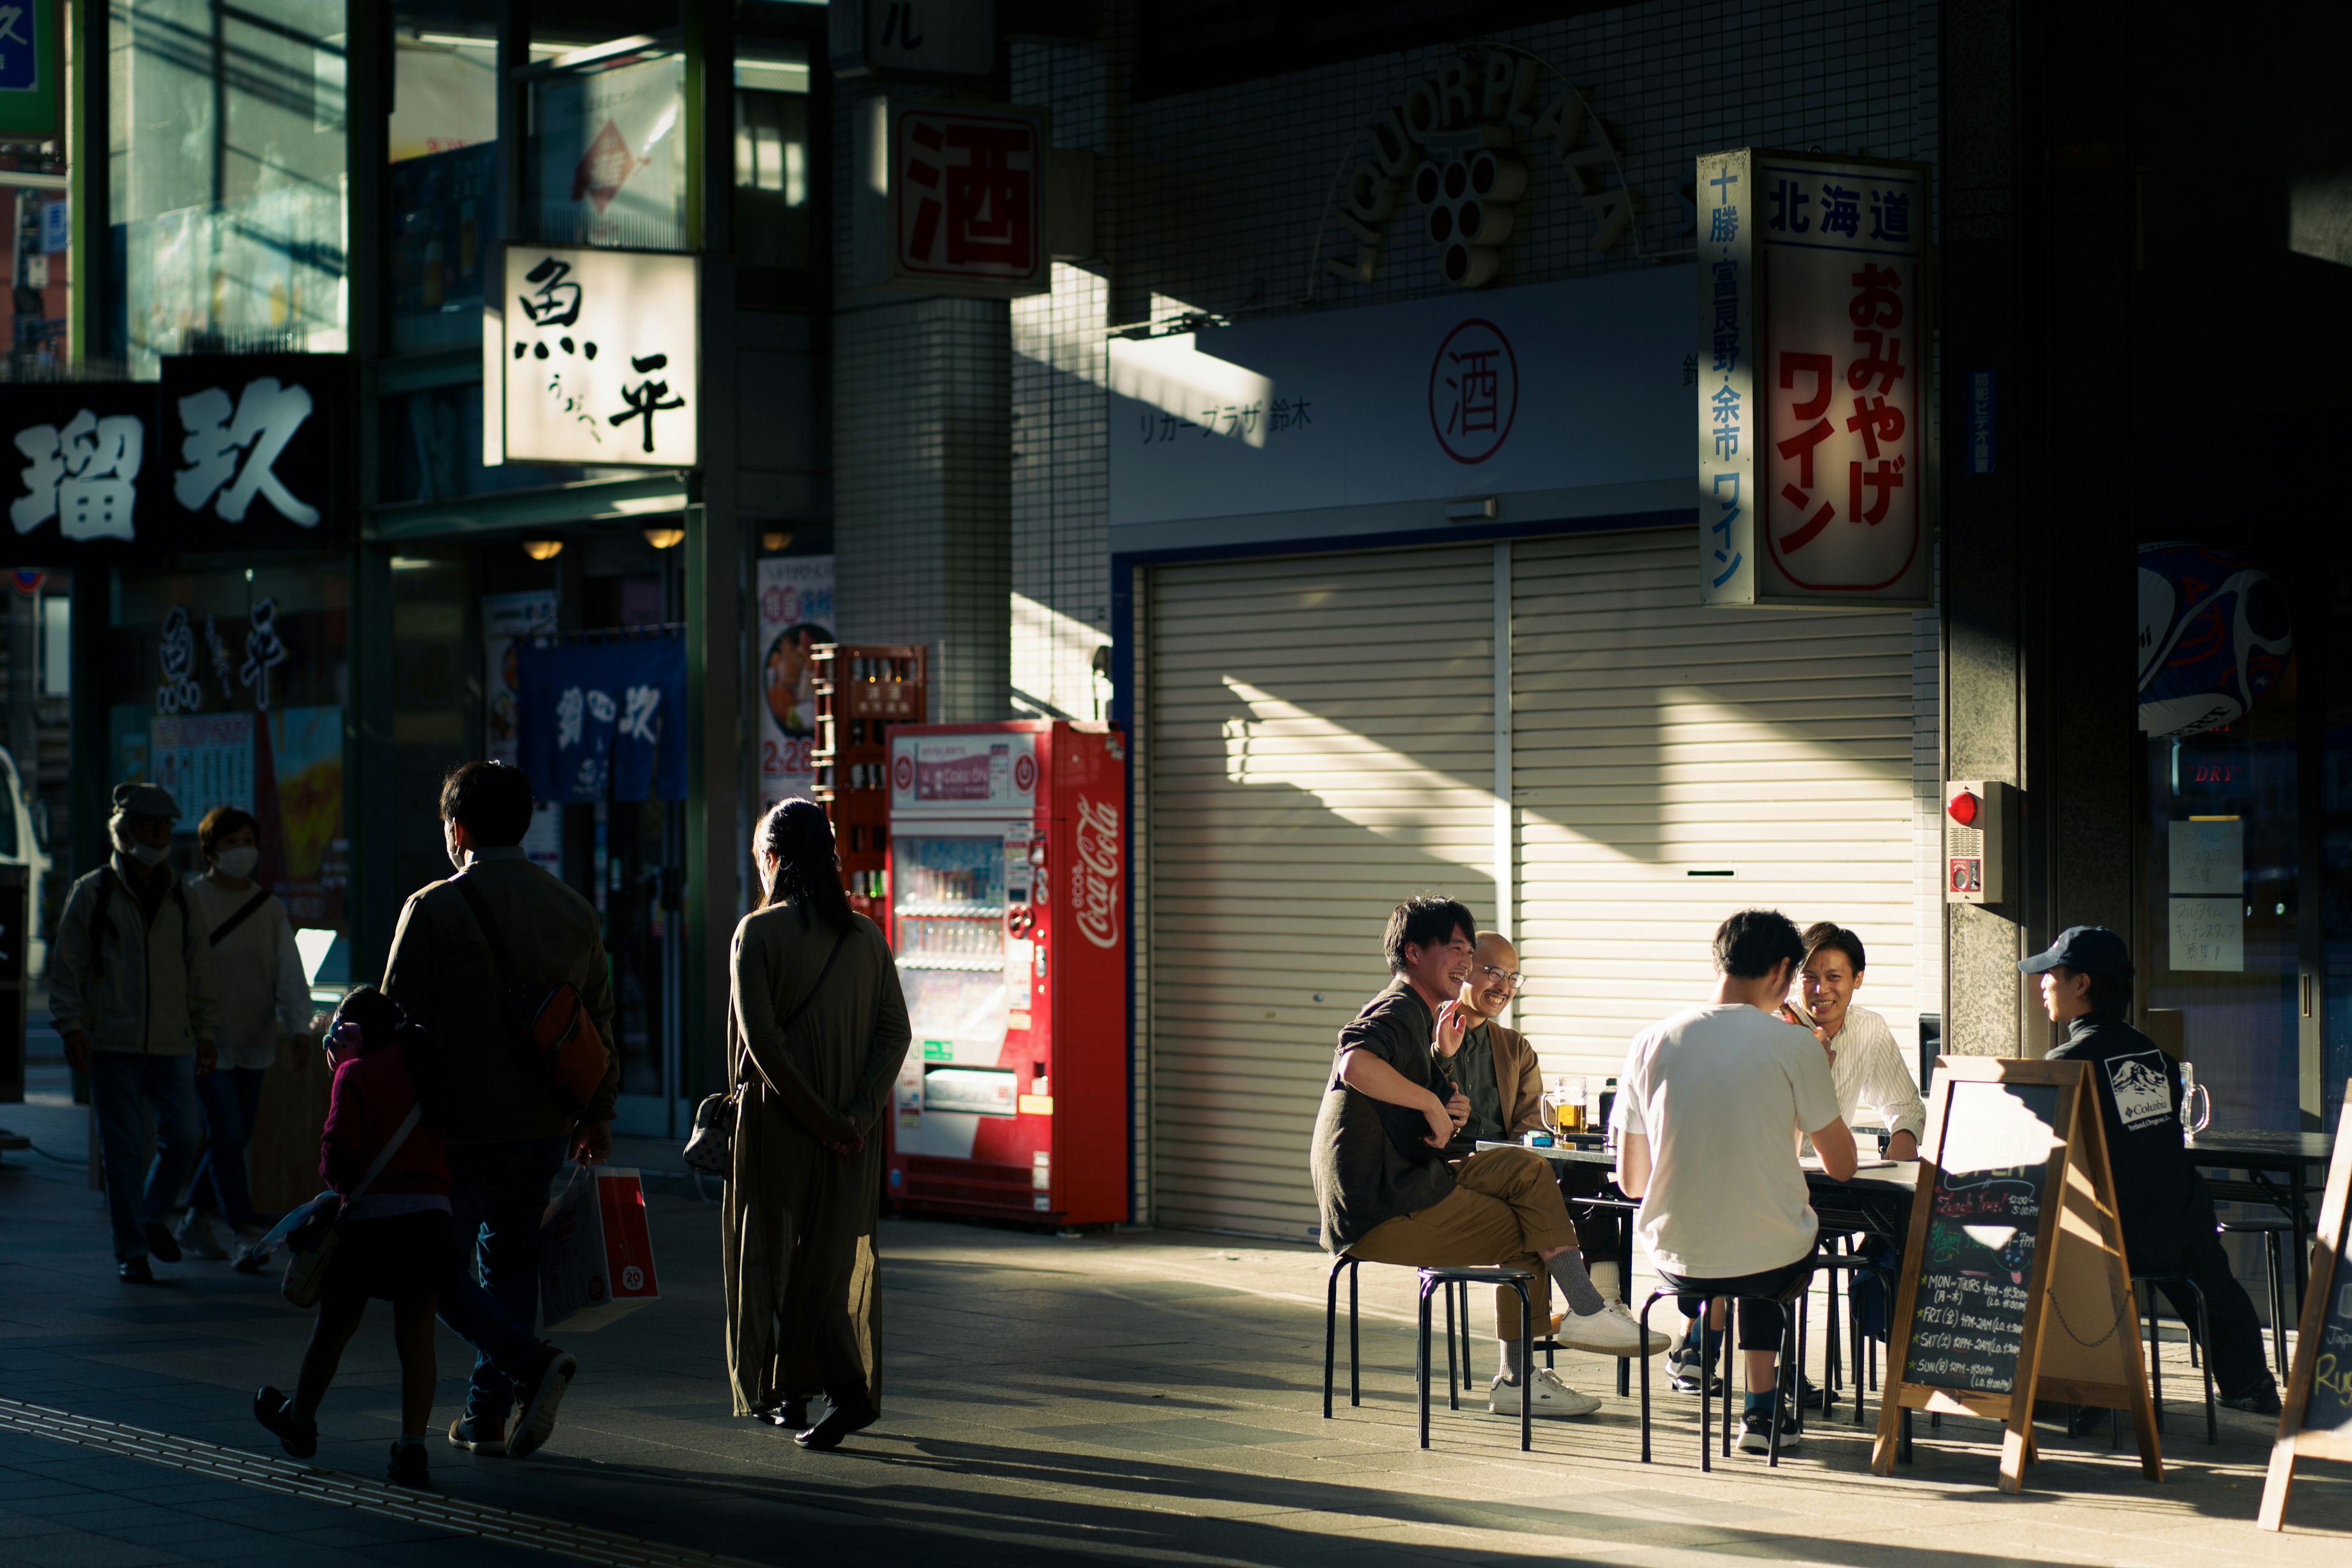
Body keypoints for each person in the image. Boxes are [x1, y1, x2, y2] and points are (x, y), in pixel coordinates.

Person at [1311, 895, 1662, 1423]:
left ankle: (1577, 1320)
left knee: (1527, 1174)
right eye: (1456, 949)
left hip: (1406, 1185)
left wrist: (1441, 1077)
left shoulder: (1436, 1025)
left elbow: (1426, 1130)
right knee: (1529, 1232)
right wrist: (1432, 1100)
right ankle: (1539, 1361)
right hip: (1379, 1208)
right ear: (1412, 952)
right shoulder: (1400, 1006)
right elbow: (1354, 1061)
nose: (1464, 961)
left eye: (1467, 950)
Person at [382, 760, 602, 1459]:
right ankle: (485, 1416)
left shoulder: (434, 907)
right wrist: (597, 1110)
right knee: (510, 1266)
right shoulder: (572, 907)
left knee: (426, 1268)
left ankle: (529, 1362)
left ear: (458, 827)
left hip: (458, 1127)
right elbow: (597, 1017)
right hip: (545, 1123)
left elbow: (394, 1022)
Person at [1612, 909, 1857, 1453]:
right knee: (1772, 1239)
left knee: (1745, 1236)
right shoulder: (1795, 1045)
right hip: (1768, 1259)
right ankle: (1763, 1409)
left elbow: (1632, 1181)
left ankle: (1700, 1345)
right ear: (1781, 971)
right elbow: (1842, 1165)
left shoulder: (1650, 1041)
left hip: (1676, 1256)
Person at [2021, 925, 2280, 1417]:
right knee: (2210, 1286)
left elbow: (2043, 1155)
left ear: (2082, 984)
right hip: (2178, 1223)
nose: (2043, 984)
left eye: (2052, 974)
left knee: (2034, 1251)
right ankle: (2250, 1384)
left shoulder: (2068, 1063)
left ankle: (2079, 1398)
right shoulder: (2154, 1057)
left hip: (2108, 1233)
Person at [723, 799, 911, 1450]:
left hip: (785, 1126)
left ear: (773, 859)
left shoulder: (758, 934)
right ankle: (795, 1391)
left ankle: (841, 1391)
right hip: (851, 1139)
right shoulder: (866, 937)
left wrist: (822, 1119)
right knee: (830, 1257)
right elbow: (896, 1034)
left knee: (778, 1258)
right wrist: (854, 1116)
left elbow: (764, 1045)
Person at [253, 989, 448, 1488]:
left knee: (335, 1327)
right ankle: (412, 1450)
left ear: (348, 1033)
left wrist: (340, 1068)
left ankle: (300, 1421)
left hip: (372, 1223)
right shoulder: (427, 1063)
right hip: (430, 1218)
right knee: (417, 1338)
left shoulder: (356, 1073)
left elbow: (338, 1162)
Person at [50, 783, 218, 1283]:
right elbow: (67, 968)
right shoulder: (93, 892)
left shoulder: (182, 896)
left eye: (165, 827)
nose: (158, 836)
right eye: (148, 828)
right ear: (121, 831)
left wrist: (206, 1031)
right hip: (113, 1044)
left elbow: (200, 972)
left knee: (186, 1136)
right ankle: (132, 1251)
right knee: (121, 1153)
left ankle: (149, 1214)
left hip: (172, 1043)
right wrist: (72, 1026)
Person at [1444, 930, 1627, 1307]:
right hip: (1449, 1172)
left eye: (1513, 978)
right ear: (1463, 970)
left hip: (1510, 1170)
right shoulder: (1428, 1034)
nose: (1505, 987)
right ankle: (1587, 1309)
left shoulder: (1515, 1047)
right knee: (1530, 1206)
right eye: (1494, 972)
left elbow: (1530, 1126)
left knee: (1586, 1169)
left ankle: (1607, 1302)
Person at [179, 805, 313, 1268]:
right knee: (228, 1132)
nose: (240, 851)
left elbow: (288, 972)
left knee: (230, 1137)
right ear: (210, 850)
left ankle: (195, 1217)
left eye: (247, 841)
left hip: (254, 1038)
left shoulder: (268, 906)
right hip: (207, 1040)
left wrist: (299, 1027)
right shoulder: (190, 899)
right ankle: (242, 1230)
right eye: (229, 842)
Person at [1787, 923, 1925, 1161]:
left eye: (1834, 977)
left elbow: (1903, 1104)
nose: (1821, 989)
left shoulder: (1869, 1028)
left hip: (1833, 1178)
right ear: (1795, 980)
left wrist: (1904, 1137)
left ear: (1857, 979)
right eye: (1809, 977)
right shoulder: (1774, 1027)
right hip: (1772, 1177)